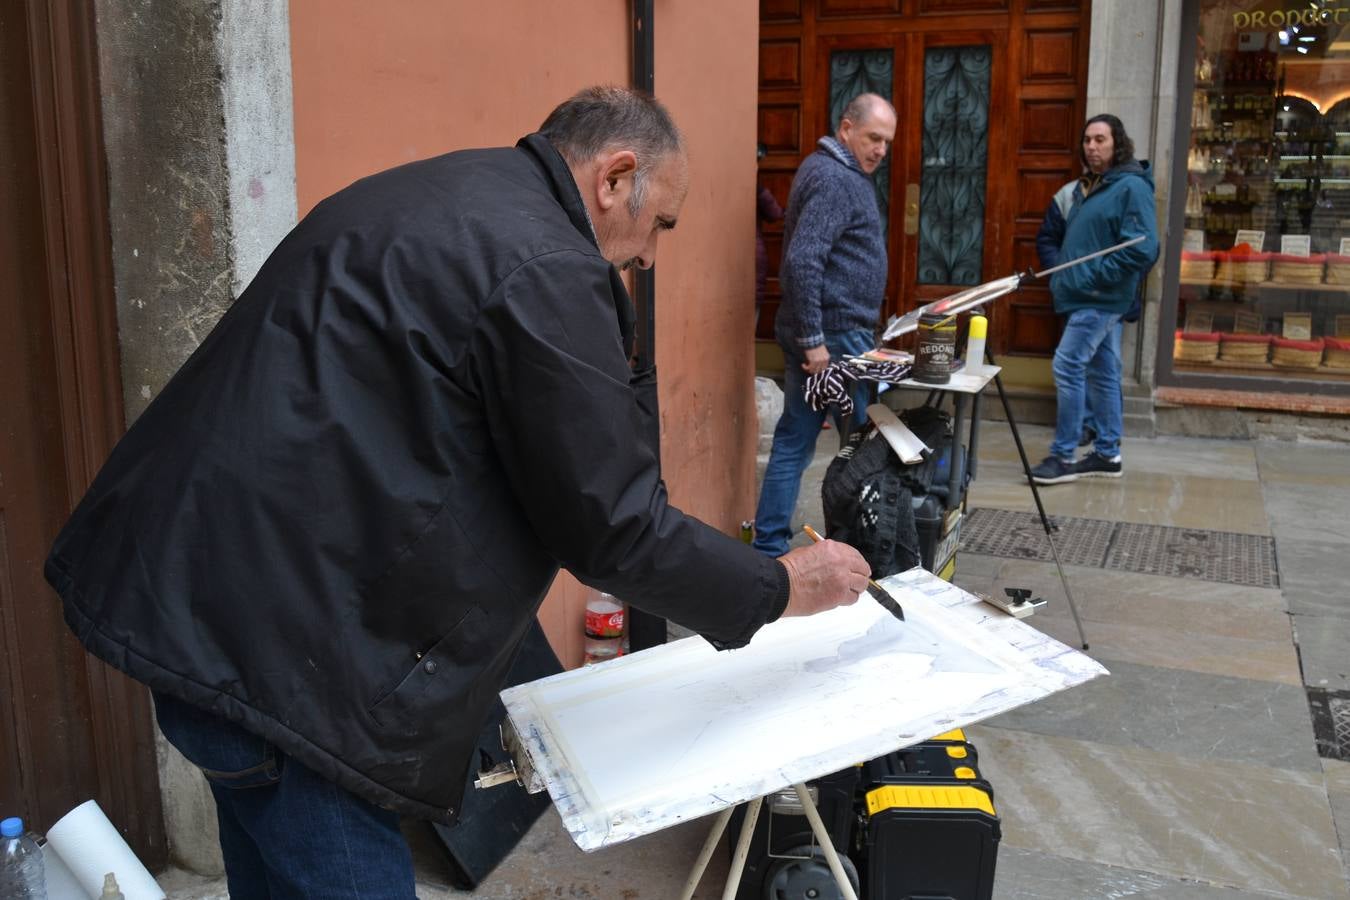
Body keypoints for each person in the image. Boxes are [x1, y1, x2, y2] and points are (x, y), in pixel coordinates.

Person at [43, 86, 872, 898]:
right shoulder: (544, 262)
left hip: (207, 620)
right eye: (660, 224)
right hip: (284, 675)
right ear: (614, 178)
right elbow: (614, 528)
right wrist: (779, 587)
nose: (651, 257)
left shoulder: (447, 191)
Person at [751, 93, 896, 559]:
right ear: (846, 129)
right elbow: (803, 262)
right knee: (864, 447)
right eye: (874, 137)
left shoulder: (839, 172)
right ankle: (856, 548)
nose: (880, 150)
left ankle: (770, 547)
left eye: (887, 142)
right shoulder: (835, 177)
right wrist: (814, 342)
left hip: (832, 335)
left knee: (798, 439)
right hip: (833, 341)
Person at [1029, 113, 1158, 486]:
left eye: (1100, 139)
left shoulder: (1130, 186)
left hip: (1098, 298)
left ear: (1117, 143)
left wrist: (1092, 276)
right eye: (1087, 140)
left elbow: (1144, 248)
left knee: (1067, 366)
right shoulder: (1098, 185)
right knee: (1103, 373)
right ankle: (1107, 452)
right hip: (1086, 296)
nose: (1092, 146)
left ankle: (1064, 454)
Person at [754, 143, 784, 330]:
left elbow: (774, 214)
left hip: (754, 263)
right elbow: (775, 213)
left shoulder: (757, 191)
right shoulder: (756, 191)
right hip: (753, 262)